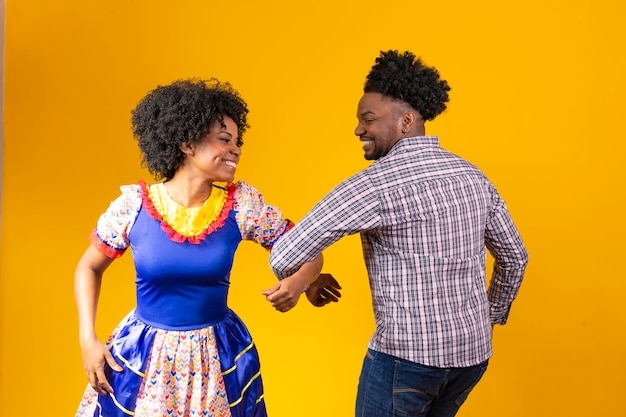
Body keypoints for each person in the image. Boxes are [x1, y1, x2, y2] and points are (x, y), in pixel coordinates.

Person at [269, 50, 529, 417]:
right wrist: (489, 316)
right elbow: (515, 257)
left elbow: (284, 254)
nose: (358, 129)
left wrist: (306, 279)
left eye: (368, 119)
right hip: (472, 357)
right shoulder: (473, 176)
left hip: (405, 362)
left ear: (406, 121)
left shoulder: (373, 186)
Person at [74, 78, 341, 417]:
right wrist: (88, 341)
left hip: (217, 355)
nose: (236, 150)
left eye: (237, 142)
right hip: (144, 356)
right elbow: (88, 267)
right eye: (224, 140)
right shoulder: (134, 207)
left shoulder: (242, 206)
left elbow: (309, 250)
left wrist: (301, 282)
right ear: (187, 143)